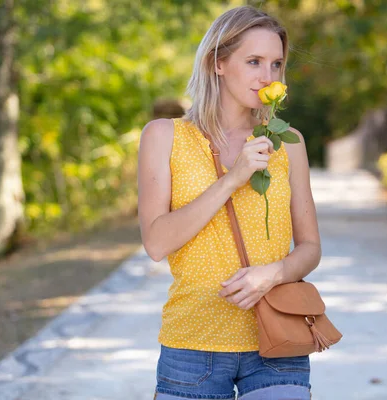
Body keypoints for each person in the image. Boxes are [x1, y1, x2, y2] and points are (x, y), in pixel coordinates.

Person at [137, 5, 321, 400]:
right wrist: (233, 179)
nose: (267, 76)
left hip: (276, 338)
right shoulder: (164, 137)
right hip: (192, 345)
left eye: (275, 64)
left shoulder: (289, 142)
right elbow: (155, 243)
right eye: (253, 61)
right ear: (218, 63)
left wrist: (272, 273)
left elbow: (310, 248)